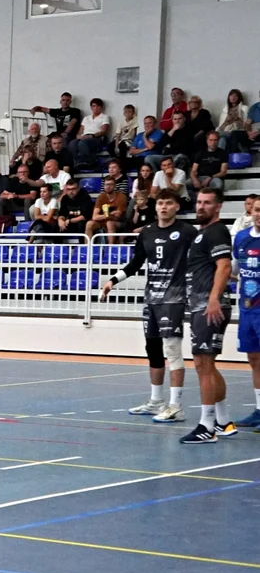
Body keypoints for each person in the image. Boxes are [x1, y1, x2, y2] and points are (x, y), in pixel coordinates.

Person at [100, 189, 198, 423]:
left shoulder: (187, 232)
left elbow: (200, 259)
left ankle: (176, 406)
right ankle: (156, 401)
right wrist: (112, 281)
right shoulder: (147, 232)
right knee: (152, 349)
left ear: (177, 206)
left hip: (173, 299)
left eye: (168, 203)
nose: (163, 207)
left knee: (172, 350)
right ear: (155, 207)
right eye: (160, 203)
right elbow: (135, 263)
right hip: (151, 298)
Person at [180, 188, 235, 444]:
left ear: (218, 207)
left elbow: (224, 266)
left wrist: (213, 299)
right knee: (207, 364)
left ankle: (207, 426)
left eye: (207, 203)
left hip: (209, 306)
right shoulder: (202, 234)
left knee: (202, 363)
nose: (201, 206)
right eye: (199, 202)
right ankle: (223, 421)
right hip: (200, 304)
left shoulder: (217, 231)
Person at [231, 202, 260, 429]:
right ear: (251, 212)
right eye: (258, 210)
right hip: (247, 309)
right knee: (254, 358)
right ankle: (259, 409)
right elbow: (234, 270)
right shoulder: (241, 237)